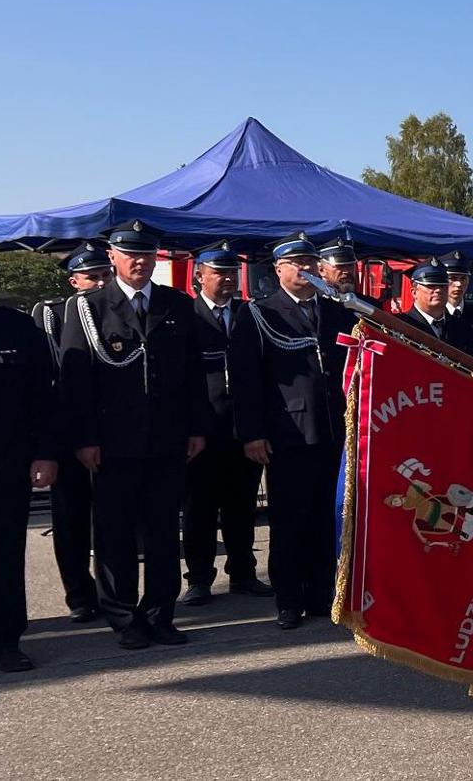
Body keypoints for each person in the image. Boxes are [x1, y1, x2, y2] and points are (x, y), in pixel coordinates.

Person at [59, 220, 213, 649]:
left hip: (167, 439)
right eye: (130, 254)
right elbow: (76, 382)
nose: (139, 261)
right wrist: (84, 439)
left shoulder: (176, 305)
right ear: (112, 257)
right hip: (112, 442)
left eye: (147, 254)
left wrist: (198, 427)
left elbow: (192, 373)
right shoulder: (88, 308)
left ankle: (160, 614)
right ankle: (124, 617)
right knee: (115, 533)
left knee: (164, 532)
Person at [250, 234, 354, 630]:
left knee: (327, 519)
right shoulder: (261, 313)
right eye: (297, 263)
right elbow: (248, 380)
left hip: (333, 432)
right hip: (288, 434)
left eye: (311, 263)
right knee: (291, 520)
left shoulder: (336, 311)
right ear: (278, 270)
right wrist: (253, 433)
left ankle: (322, 593)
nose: (306, 270)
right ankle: (288, 599)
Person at [0, 247, 60, 671]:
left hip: (5, 463)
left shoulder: (15, 327)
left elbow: (42, 398)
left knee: (4, 554)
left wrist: (45, 453)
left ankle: (4, 640)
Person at [182, 243, 273, 607]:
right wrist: (192, 428)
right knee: (200, 509)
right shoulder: (187, 317)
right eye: (219, 273)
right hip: (204, 431)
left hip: (243, 429)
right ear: (199, 276)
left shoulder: (250, 314)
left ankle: (244, 573)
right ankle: (200, 578)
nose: (227, 279)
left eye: (232, 272)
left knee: (241, 506)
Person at [31, 245, 110, 623]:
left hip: (110, 431)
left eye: (104, 275)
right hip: (67, 434)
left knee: (112, 519)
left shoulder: (117, 310)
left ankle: (113, 594)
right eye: (91, 277)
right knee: (72, 519)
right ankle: (79, 593)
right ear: (73, 281)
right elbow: (50, 378)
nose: (98, 283)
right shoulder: (54, 315)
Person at [392, 262, 459, 341]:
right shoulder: (399, 325)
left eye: (442, 286)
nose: (438, 290)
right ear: (414, 292)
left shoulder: (460, 326)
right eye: (431, 286)